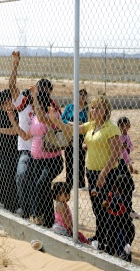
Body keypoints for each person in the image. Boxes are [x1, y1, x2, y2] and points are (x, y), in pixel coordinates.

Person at [48, 95, 122, 250]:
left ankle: (110, 241)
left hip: (107, 174)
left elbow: (116, 153)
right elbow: (74, 128)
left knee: (106, 207)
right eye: (93, 107)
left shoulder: (111, 128)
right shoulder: (92, 125)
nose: (94, 110)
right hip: (92, 172)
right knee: (97, 208)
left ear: (106, 110)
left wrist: (103, 173)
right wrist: (57, 122)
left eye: (98, 107)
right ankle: (101, 237)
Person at [25, 85, 64, 228]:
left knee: (41, 185)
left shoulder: (52, 116)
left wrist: (35, 96)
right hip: (37, 160)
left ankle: (42, 215)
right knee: (43, 187)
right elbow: (30, 133)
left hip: (52, 160)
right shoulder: (36, 117)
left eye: (38, 104)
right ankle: (48, 220)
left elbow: (42, 118)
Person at [8, 51, 34, 218]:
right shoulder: (24, 105)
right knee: (21, 177)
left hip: (40, 151)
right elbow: (11, 85)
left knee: (33, 183)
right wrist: (15, 65)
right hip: (26, 149)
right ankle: (26, 210)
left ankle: (33, 211)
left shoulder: (43, 107)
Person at [101, 174, 135, 261]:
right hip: (113, 224)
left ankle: (124, 256)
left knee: (122, 243)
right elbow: (107, 196)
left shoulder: (125, 198)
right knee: (111, 239)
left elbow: (120, 207)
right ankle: (110, 250)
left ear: (117, 187)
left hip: (123, 226)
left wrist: (109, 205)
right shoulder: (114, 194)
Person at [61, 88, 88, 189]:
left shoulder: (87, 110)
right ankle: (69, 183)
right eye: (80, 94)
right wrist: (72, 123)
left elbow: (89, 122)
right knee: (69, 159)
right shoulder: (70, 107)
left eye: (84, 95)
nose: (82, 96)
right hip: (69, 136)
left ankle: (81, 183)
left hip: (81, 137)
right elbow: (62, 119)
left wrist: (82, 125)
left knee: (81, 160)